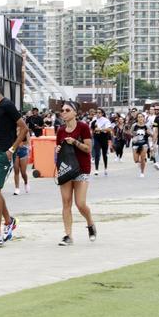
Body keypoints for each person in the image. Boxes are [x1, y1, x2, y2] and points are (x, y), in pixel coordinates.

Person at [0, 77, 27, 246]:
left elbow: (24, 128)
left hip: (4, 152)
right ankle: (9, 221)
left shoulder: (7, 105)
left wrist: (12, 150)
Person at [55, 101, 96, 246]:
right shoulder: (60, 130)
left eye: (67, 110)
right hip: (66, 168)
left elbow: (88, 148)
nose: (63, 112)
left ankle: (90, 223)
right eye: (62, 110)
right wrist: (58, 150)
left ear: (75, 113)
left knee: (80, 203)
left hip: (82, 167)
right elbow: (58, 148)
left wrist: (75, 142)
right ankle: (68, 235)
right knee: (66, 202)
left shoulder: (83, 127)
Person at [90, 109, 112, 176]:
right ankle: (96, 170)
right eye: (97, 112)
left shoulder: (106, 120)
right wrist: (92, 132)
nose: (98, 114)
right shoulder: (94, 120)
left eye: (99, 112)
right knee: (97, 153)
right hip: (96, 138)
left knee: (104, 154)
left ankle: (105, 168)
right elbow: (91, 129)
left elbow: (109, 129)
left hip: (104, 138)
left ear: (102, 113)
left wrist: (101, 129)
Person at [130, 112, 150, 178]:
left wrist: (148, 133)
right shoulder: (134, 125)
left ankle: (142, 172)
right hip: (135, 144)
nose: (140, 118)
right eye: (139, 117)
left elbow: (150, 133)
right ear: (137, 118)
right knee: (136, 160)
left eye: (141, 117)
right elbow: (130, 133)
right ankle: (140, 163)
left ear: (144, 118)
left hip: (144, 143)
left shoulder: (146, 126)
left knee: (142, 158)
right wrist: (134, 135)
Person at [13, 130, 30, 195]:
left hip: (23, 150)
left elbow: (28, 141)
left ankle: (26, 182)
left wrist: (28, 147)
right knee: (16, 170)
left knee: (23, 172)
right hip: (15, 150)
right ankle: (17, 188)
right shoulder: (12, 128)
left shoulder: (25, 129)